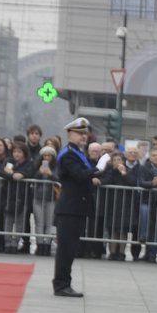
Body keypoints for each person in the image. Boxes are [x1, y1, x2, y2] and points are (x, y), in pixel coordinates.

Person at [52, 118, 98, 297]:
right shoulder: (69, 154)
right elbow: (79, 175)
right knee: (66, 249)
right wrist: (97, 169)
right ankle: (61, 284)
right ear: (70, 133)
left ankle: (64, 282)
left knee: (70, 248)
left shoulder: (78, 152)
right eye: (79, 133)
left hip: (76, 207)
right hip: (70, 208)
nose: (83, 136)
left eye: (85, 133)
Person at [98, 143, 137, 260]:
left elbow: (133, 182)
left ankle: (121, 252)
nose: (117, 162)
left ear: (123, 161)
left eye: (119, 159)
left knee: (122, 229)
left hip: (125, 203)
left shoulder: (128, 170)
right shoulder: (109, 171)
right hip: (112, 203)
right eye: (114, 160)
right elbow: (105, 180)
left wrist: (123, 172)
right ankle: (113, 252)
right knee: (113, 229)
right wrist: (111, 171)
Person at [31, 144, 58, 255]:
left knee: (49, 223)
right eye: (45, 155)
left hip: (51, 198)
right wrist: (39, 173)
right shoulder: (37, 166)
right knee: (39, 222)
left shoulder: (56, 167)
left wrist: (50, 174)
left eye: (49, 156)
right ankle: (40, 244)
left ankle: (47, 244)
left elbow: (58, 179)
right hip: (38, 197)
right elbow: (32, 178)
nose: (46, 158)